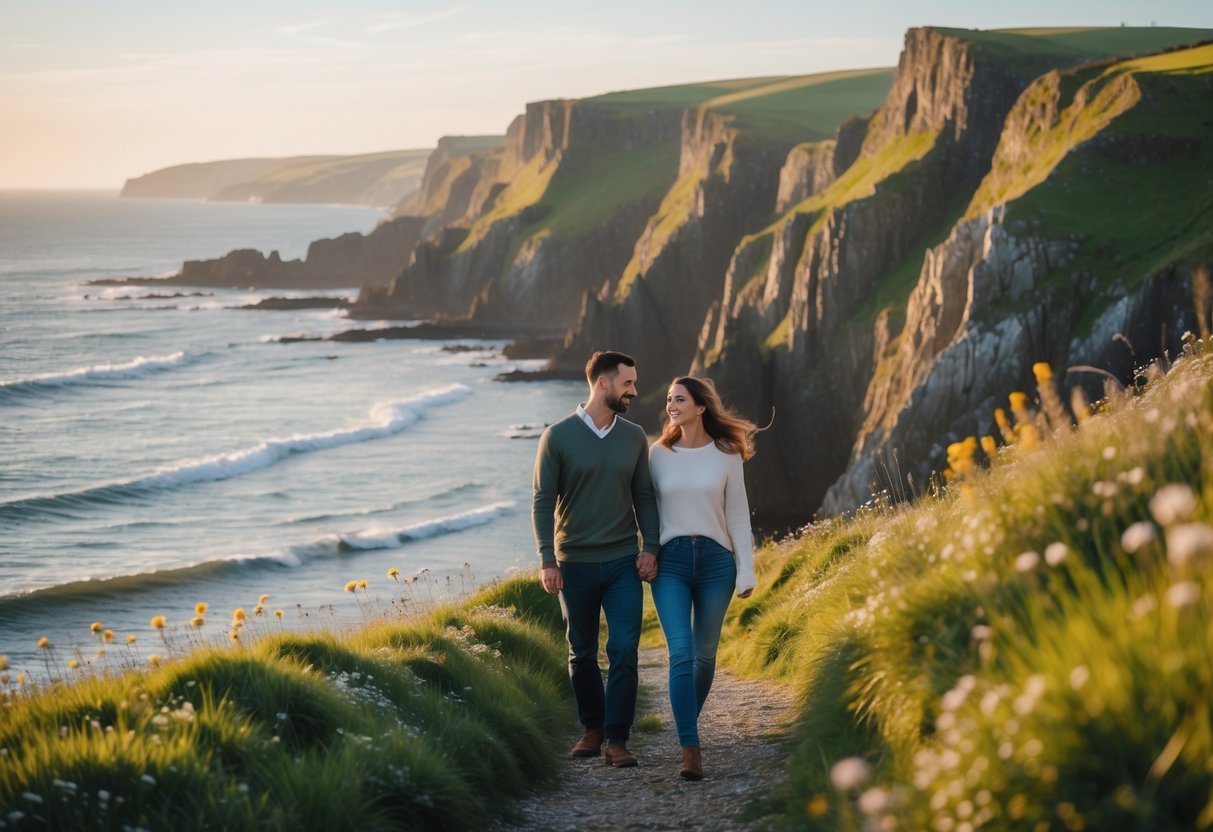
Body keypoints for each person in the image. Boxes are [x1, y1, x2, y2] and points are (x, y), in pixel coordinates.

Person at [532, 350, 661, 767]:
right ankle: (592, 728)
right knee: (581, 651)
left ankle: (617, 739)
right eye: (628, 383)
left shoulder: (635, 436)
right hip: (574, 564)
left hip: (623, 561)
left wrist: (651, 548)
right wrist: (547, 559)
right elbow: (541, 501)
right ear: (603, 383)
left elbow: (644, 496)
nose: (634, 391)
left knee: (624, 649)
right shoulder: (557, 436)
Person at [648, 376, 762, 781]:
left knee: (705, 656)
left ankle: (684, 724)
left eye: (678, 399)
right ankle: (690, 749)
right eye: (668, 400)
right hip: (671, 562)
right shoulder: (657, 454)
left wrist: (746, 569)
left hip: (717, 563)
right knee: (681, 653)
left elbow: (737, 516)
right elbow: (646, 513)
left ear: (700, 406)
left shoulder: (727, 454)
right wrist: (643, 552)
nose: (670, 406)